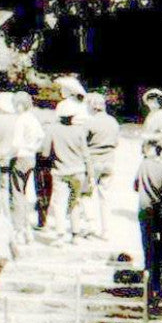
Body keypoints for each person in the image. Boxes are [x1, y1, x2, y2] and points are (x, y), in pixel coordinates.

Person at [134, 138, 162, 302]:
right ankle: (160, 286)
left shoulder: (144, 165)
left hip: (144, 211)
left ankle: (148, 287)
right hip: (161, 214)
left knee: (148, 248)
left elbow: (135, 185)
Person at [47, 99, 90, 243]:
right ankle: (75, 234)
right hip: (78, 171)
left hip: (60, 171)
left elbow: (46, 153)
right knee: (75, 202)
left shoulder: (53, 130)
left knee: (59, 203)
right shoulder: (79, 130)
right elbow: (86, 154)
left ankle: (60, 235)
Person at [83, 92, 120, 240]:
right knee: (105, 197)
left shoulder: (90, 122)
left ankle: (91, 226)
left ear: (92, 107)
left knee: (86, 194)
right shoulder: (113, 122)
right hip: (110, 161)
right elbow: (116, 142)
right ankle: (106, 230)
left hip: (94, 161)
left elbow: (82, 143)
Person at [10, 91, 44, 244]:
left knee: (17, 194)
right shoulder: (33, 119)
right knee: (24, 193)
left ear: (20, 105)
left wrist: (9, 155)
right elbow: (41, 137)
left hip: (20, 156)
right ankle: (27, 229)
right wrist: (33, 148)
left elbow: (16, 143)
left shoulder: (21, 120)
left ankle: (19, 229)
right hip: (31, 157)